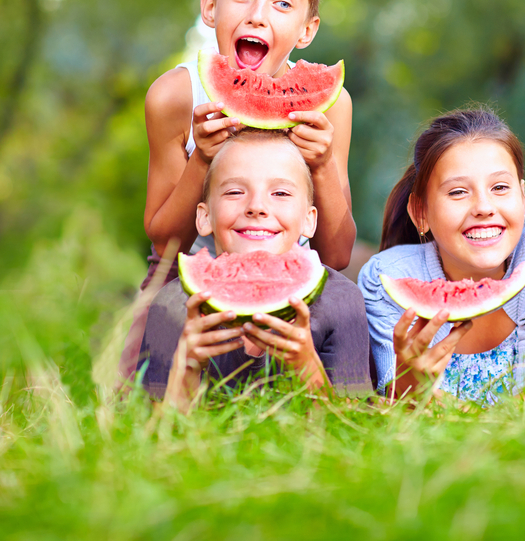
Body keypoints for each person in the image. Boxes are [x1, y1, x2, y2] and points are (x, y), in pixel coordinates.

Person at [121, 0, 356, 381]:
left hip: (290, 279)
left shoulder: (331, 104)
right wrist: (202, 161)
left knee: (343, 327)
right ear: (211, 7)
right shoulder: (174, 95)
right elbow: (165, 243)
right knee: (137, 411)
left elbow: (338, 250)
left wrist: (323, 164)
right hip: (186, 277)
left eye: (282, 4)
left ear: (308, 30)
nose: (258, 16)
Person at [358, 109, 525, 405]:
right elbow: (403, 409)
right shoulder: (386, 279)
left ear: (522, 194)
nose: (483, 206)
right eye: (458, 192)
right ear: (420, 213)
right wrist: (411, 381)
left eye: (500, 187)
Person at [137, 129, 372, 412]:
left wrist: (308, 367)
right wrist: (185, 370)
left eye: (281, 193)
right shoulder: (172, 304)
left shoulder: (342, 300)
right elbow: (156, 432)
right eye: (235, 192)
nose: (257, 207)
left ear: (310, 221)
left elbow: (350, 426)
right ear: (204, 217)